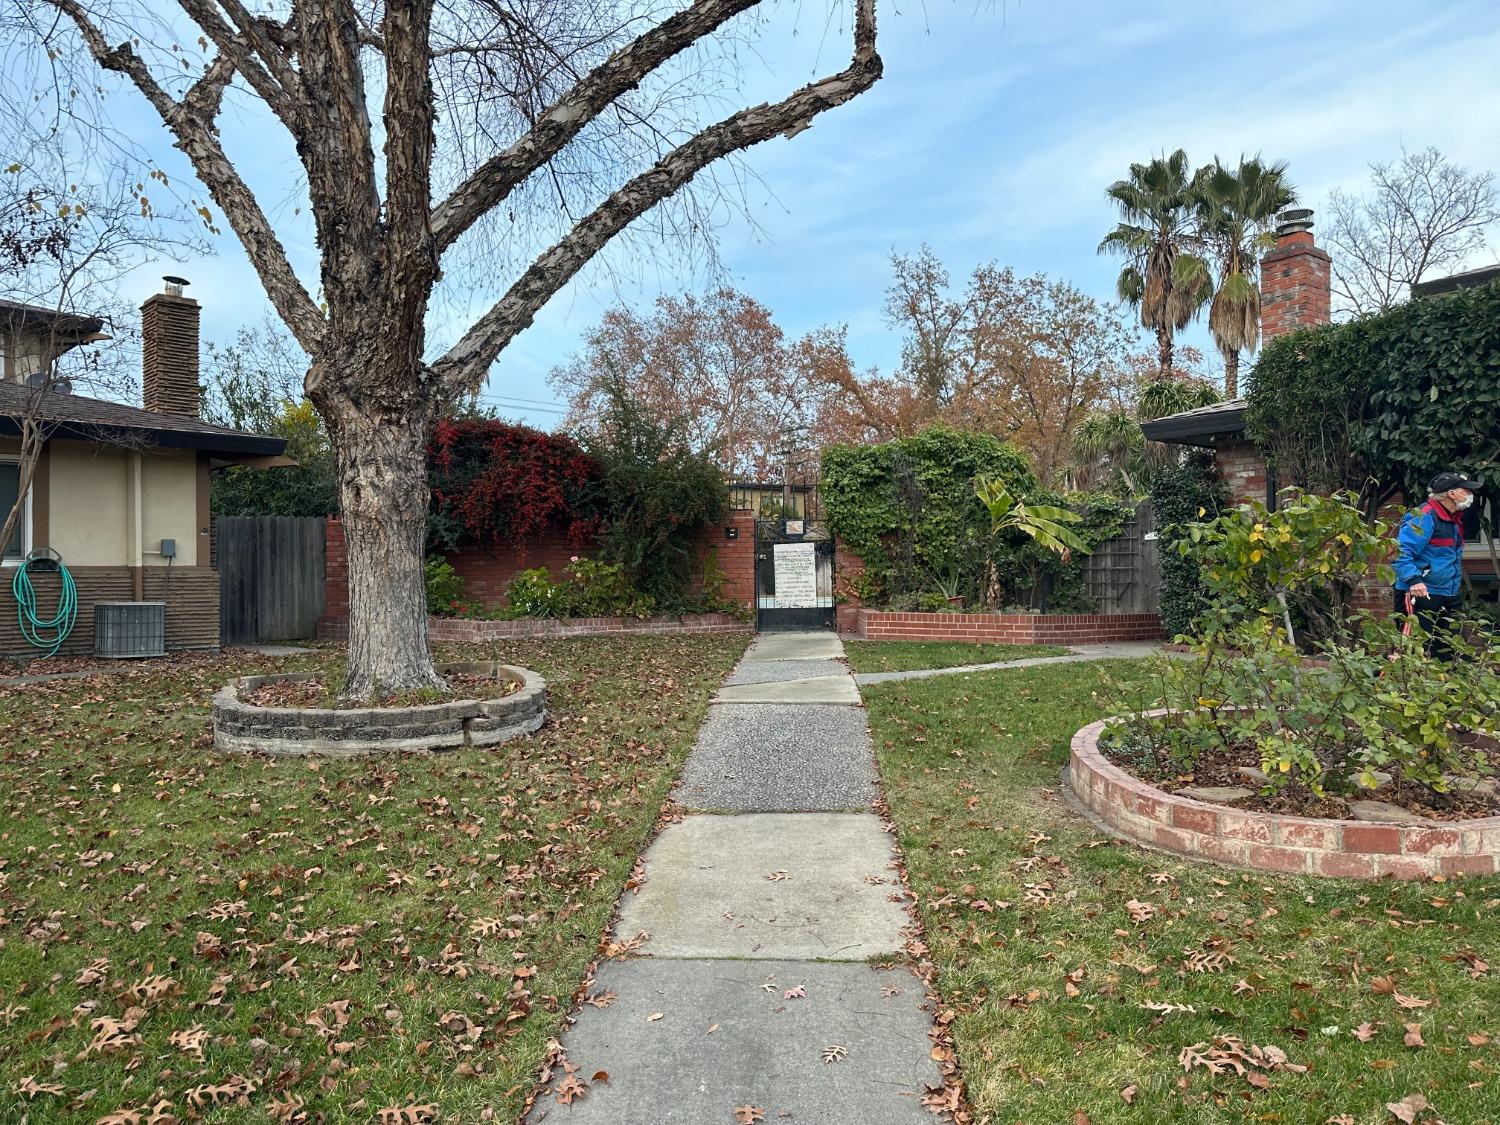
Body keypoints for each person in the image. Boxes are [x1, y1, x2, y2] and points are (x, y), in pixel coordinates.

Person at [1392, 471, 1481, 659]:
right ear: (1452, 493)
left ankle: (1453, 687)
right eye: (1466, 490)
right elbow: (1400, 551)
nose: (1470, 495)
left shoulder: (1453, 518)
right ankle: (1386, 686)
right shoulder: (1424, 516)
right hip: (1420, 593)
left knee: (1453, 650)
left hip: (1447, 593)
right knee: (1410, 651)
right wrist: (1414, 580)